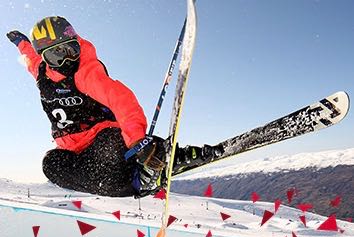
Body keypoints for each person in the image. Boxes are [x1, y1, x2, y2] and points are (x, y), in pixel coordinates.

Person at [7, 16, 223, 198]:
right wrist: (21, 42)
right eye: (57, 55)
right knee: (51, 164)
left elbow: (121, 99)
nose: (67, 60)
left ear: (77, 43)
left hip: (105, 139)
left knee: (110, 147)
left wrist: (138, 140)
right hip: (75, 152)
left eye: (72, 50)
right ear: (45, 58)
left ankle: (162, 158)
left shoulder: (85, 73)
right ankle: (140, 176)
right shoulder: (40, 72)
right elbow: (30, 55)